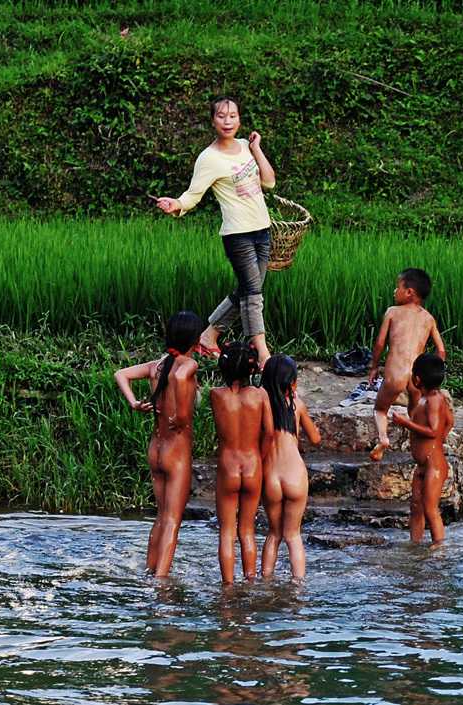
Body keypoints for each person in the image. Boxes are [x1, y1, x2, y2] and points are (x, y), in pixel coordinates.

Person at [156, 96, 276, 364]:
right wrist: (176, 204)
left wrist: (256, 148)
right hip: (238, 235)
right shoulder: (208, 158)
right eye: (221, 116)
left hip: (262, 230)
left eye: (233, 115)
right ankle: (262, 352)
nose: (227, 121)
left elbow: (268, 182)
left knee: (248, 289)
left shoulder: (246, 146)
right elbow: (193, 194)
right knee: (254, 294)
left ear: (240, 119)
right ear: (213, 121)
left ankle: (208, 337)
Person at [114, 311, 203, 577]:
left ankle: (150, 571)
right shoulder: (186, 366)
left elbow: (121, 374)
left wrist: (134, 403)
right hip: (177, 451)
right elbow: (180, 377)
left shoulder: (157, 366)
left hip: (156, 449)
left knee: (162, 517)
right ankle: (161, 582)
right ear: (194, 339)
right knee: (173, 521)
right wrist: (182, 415)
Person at [210, 341, 274, 584]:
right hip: (252, 464)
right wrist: (261, 456)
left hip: (228, 465)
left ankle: (227, 585)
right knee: (247, 530)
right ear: (252, 369)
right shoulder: (260, 395)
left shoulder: (216, 395)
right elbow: (268, 432)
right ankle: (250, 581)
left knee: (227, 531)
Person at [368, 268, 446, 461]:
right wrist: (433, 374)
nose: (395, 291)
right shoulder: (428, 318)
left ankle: (383, 439)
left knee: (380, 409)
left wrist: (373, 366)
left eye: (398, 287)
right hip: (416, 377)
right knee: (414, 410)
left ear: (409, 292)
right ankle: (418, 444)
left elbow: (379, 343)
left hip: (395, 374)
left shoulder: (392, 312)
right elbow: (441, 350)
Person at [260, 355, 321, 579]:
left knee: (274, 534)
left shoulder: (262, 405)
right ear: (292, 383)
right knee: (293, 536)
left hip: (271, 476)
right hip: (295, 474)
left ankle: (265, 581)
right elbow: (315, 439)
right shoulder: (297, 405)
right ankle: (298, 586)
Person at [393, 353, 454, 544]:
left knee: (430, 508)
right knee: (416, 506)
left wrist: (405, 422)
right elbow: (450, 422)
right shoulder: (425, 399)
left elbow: (433, 431)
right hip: (423, 465)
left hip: (434, 465)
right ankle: (415, 543)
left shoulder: (434, 400)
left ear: (417, 378)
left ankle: (439, 548)